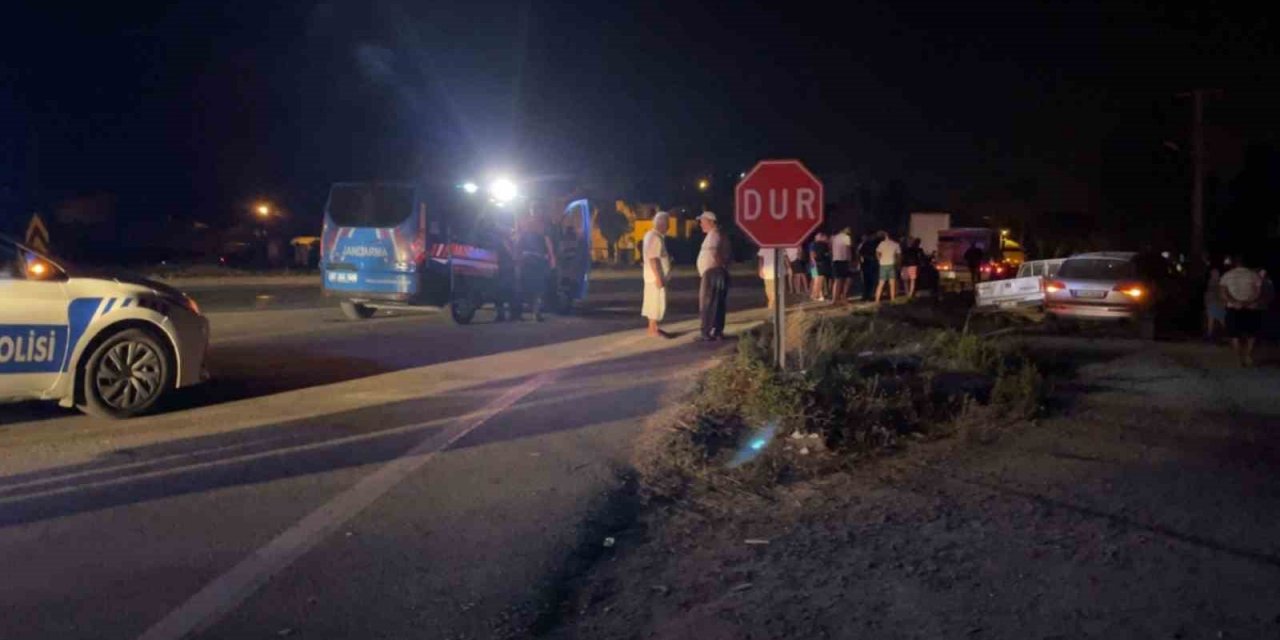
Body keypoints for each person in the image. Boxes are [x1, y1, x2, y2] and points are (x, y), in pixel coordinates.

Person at [1220, 254, 1264, 367]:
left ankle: (1239, 358)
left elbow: (1223, 293)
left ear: (1234, 264)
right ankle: (1248, 355)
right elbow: (1259, 292)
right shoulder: (1254, 275)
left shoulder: (1227, 275)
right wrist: (1248, 302)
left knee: (1234, 333)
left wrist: (1235, 302)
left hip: (1233, 307)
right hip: (1251, 307)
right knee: (1251, 333)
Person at [696, 212, 732, 341]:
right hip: (715, 272)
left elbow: (716, 253)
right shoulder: (714, 234)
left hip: (712, 273)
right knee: (716, 303)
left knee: (708, 303)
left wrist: (719, 266)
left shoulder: (715, 235)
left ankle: (707, 332)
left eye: (703, 221)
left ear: (711, 222)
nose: (700, 224)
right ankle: (716, 331)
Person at [517, 215, 556, 322]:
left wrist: (551, 261)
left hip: (538, 265)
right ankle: (533, 311)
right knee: (530, 289)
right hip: (529, 265)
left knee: (538, 289)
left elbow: (550, 250)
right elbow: (518, 249)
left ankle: (536, 311)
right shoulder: (524, 236)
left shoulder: (543, 237)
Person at [641, 211, 672, 337]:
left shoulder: (651, 235)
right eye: (667, 224)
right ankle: (653, 329)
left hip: (651, 277)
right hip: (655, 277)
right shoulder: (655, 237)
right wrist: (659, 277)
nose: (669, 227)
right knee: (655, 302)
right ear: (662, 224)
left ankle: (653, 327)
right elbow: (654, 259)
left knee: (652, 301)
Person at [494, 225, 518, 322]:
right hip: (504, 269)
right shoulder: (504, 242)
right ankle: (503, 314)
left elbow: (512, 254)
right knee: (504, 292)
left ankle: (506, 315)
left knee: (506, 292)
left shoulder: (507, 242)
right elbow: (512, 254)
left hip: (506, 269)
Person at [874, 231, 902, 303]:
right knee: (892, 283)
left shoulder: (882, 244)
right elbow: (899, 256)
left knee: (881, 283)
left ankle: (877, 300)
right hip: (891, 264)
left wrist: (879, 259)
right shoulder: (896, 244)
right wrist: (897, 263)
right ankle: (892, 299)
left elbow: (877, 252)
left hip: (883, 264)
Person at [831, 227, 853, 304]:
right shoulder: (847, 237)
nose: (850, 231)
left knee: (838, 280)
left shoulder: (834, 237)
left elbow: (831, 248)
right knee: (848, 279)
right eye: (849, 229)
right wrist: (850, 261)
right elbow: (848, 249)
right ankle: (844, 297)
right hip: (844, 260)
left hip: (836, 260)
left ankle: (835, 299)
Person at [1204, 263, 1226, 340]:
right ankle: (1209, 335)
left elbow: (1221, 293)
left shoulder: (1220, 282)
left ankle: (1230, 335)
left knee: (1221, 320)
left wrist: (1223, 302)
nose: (1213, 274)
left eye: (1215, 273)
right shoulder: (1211, 281)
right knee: (1211, 320)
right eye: (1213, 273)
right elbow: (1209, 294)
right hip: (1212, 303)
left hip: (1217, 304)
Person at [810, 232, 832, 302]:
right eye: (823, 237)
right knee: (818, 280)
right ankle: (817, 295)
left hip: (813, 264)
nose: (825, 238)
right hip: (817, 264)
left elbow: (812, 255)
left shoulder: (812, 244)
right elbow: (813, 255)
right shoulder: (820, 245)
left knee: (815, 280)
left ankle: (816, 295)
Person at [858, 233, 879, 302]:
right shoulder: (875, 244)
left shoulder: (865, 244)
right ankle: (869, 295)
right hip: (871, 264)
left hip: (866, 264)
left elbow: (860, 254)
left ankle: (866, 295)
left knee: (866, 281)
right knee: (871, 281)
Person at [757, 246, 780, 310]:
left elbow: (784, 257)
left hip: (778, 272)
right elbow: (760, 259)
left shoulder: (779, 246)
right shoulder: (764, 247)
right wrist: (760, 269)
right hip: (768, 271)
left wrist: (788, 267)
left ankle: (774, 305)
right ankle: (771, 304)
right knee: (769, 291)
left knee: (776, 290)